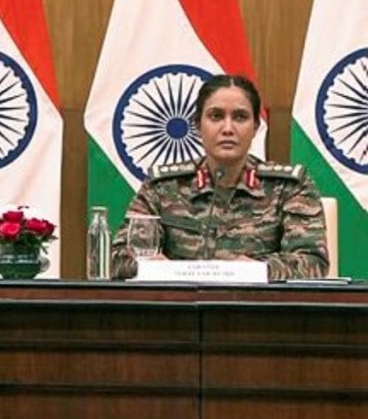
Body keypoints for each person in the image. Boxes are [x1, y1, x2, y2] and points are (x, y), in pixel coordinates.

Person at [110, 74, 328, 281]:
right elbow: (118, 257)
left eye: (240, 117)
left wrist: (256, 270)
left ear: (255, 128)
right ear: (198, 126)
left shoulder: (288, 186)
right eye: (216, 116)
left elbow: (313, 262)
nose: (227, 128)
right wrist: (155, 267)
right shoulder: (164, 186)